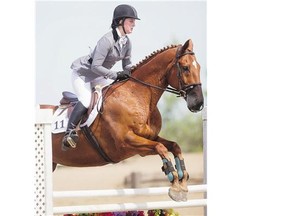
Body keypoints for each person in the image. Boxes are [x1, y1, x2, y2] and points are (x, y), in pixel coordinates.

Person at [62, 4, 140, 151]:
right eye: (131, 21)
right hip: (83, 74)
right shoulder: (107, 40)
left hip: (98, 76)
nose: (134, 24)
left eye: (133, 21)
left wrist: (135, 72)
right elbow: (95, 67)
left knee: (113, 97)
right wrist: (116, 75)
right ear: (120, 21)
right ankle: (69, 133)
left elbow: (127, 65)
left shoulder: (127, 42)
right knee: (86, 100)